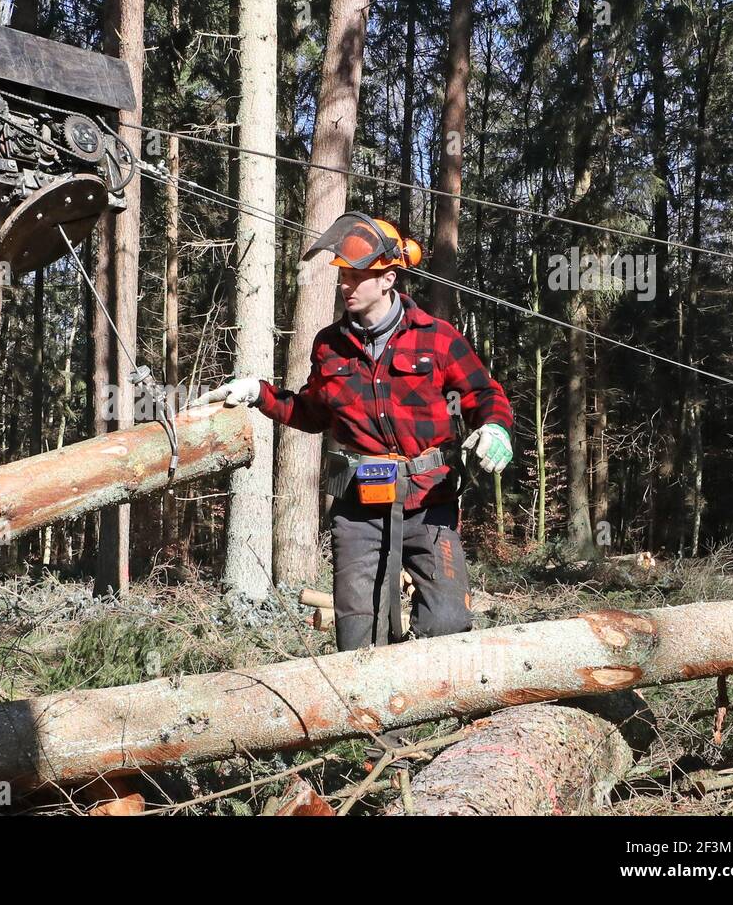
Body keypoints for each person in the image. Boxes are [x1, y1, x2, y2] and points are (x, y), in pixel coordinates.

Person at [194, 213, 513, 651]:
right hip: (359, 508)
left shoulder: (436, 338)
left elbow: (483, 393)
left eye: (357, 276)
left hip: (431, 502)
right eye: (343, 275)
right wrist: (258, 393)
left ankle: (425, 705)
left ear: (388, 279)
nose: (345, 285)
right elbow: (310, 412)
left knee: (446, 626)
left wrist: (496, 428)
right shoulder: (330, 345)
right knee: (358, 636)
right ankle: (374, 717)